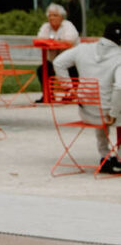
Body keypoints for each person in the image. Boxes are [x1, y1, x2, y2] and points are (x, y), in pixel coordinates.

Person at [51, 21, 121, 168]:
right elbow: (119, 87)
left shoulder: (82, 49)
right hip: (108, 115)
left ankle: (104, 156)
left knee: (100, 103)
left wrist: (68, 87)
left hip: (87, 111)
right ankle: (119, 157)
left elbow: (58, 62)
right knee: (112, 104)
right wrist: (114, 113)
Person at [34, 1, 81, 102]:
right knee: (42, 69)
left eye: (55, 15)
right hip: (53, 60)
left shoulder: (68, 26)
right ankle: (48, 95)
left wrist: (51, 42)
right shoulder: (46, 26)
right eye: (50, 16)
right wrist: (54, 42)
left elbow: (69, 42)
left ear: (62, 17)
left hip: (71, 61)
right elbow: (39, 40)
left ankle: (70, 94)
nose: (52, 18)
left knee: (71, 68)